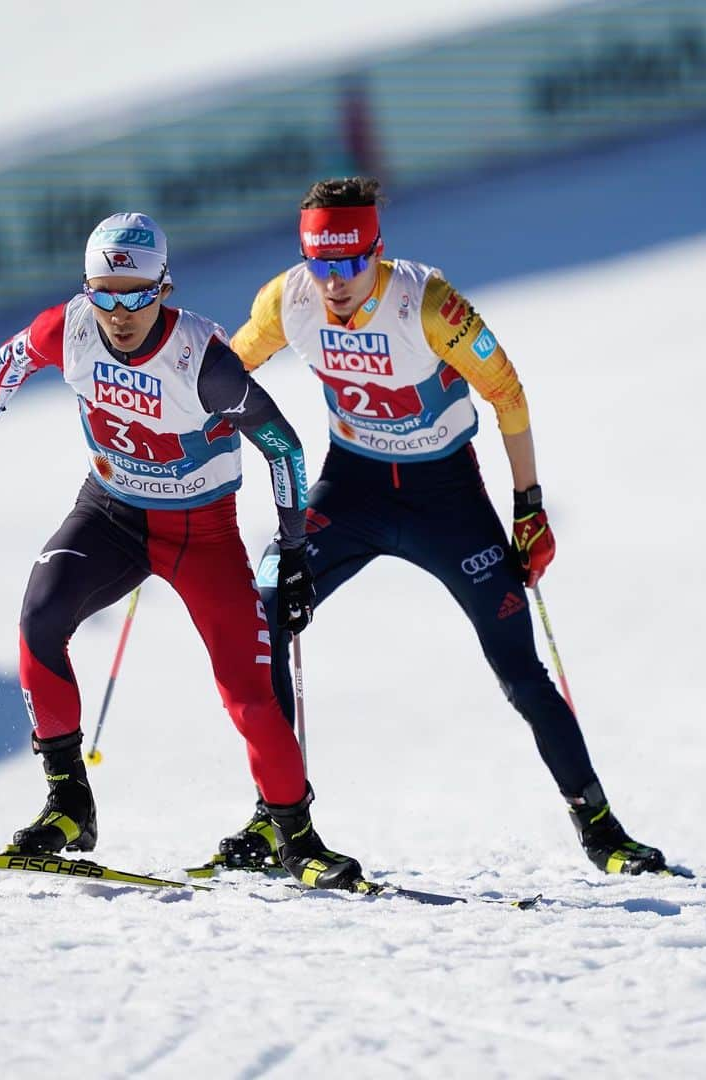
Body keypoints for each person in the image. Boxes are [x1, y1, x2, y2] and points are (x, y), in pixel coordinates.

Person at [215, 177, 666, 876]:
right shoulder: (289, 298)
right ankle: (277, 818)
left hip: (445, 498)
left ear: (377, 251)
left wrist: (529, 505)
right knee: (264, 612)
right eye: (321, 265)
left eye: (350, 264)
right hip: (352, 488)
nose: (334, 283)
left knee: (518, 669)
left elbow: (507, 392)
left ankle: (603, 830)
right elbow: (228, 367)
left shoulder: (427, 303)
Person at [0, 212, 362, 889]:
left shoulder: (205, 364)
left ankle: (298, 838)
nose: (118, 312)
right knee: (39, 619)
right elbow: (11, 358)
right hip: (108, 512)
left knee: (246, 693)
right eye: (103, 293)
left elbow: (283, 446)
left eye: (136, 294)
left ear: (163, 289)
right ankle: (69, 806)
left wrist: (293, 551)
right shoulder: (72, 326)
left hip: (201, 533)